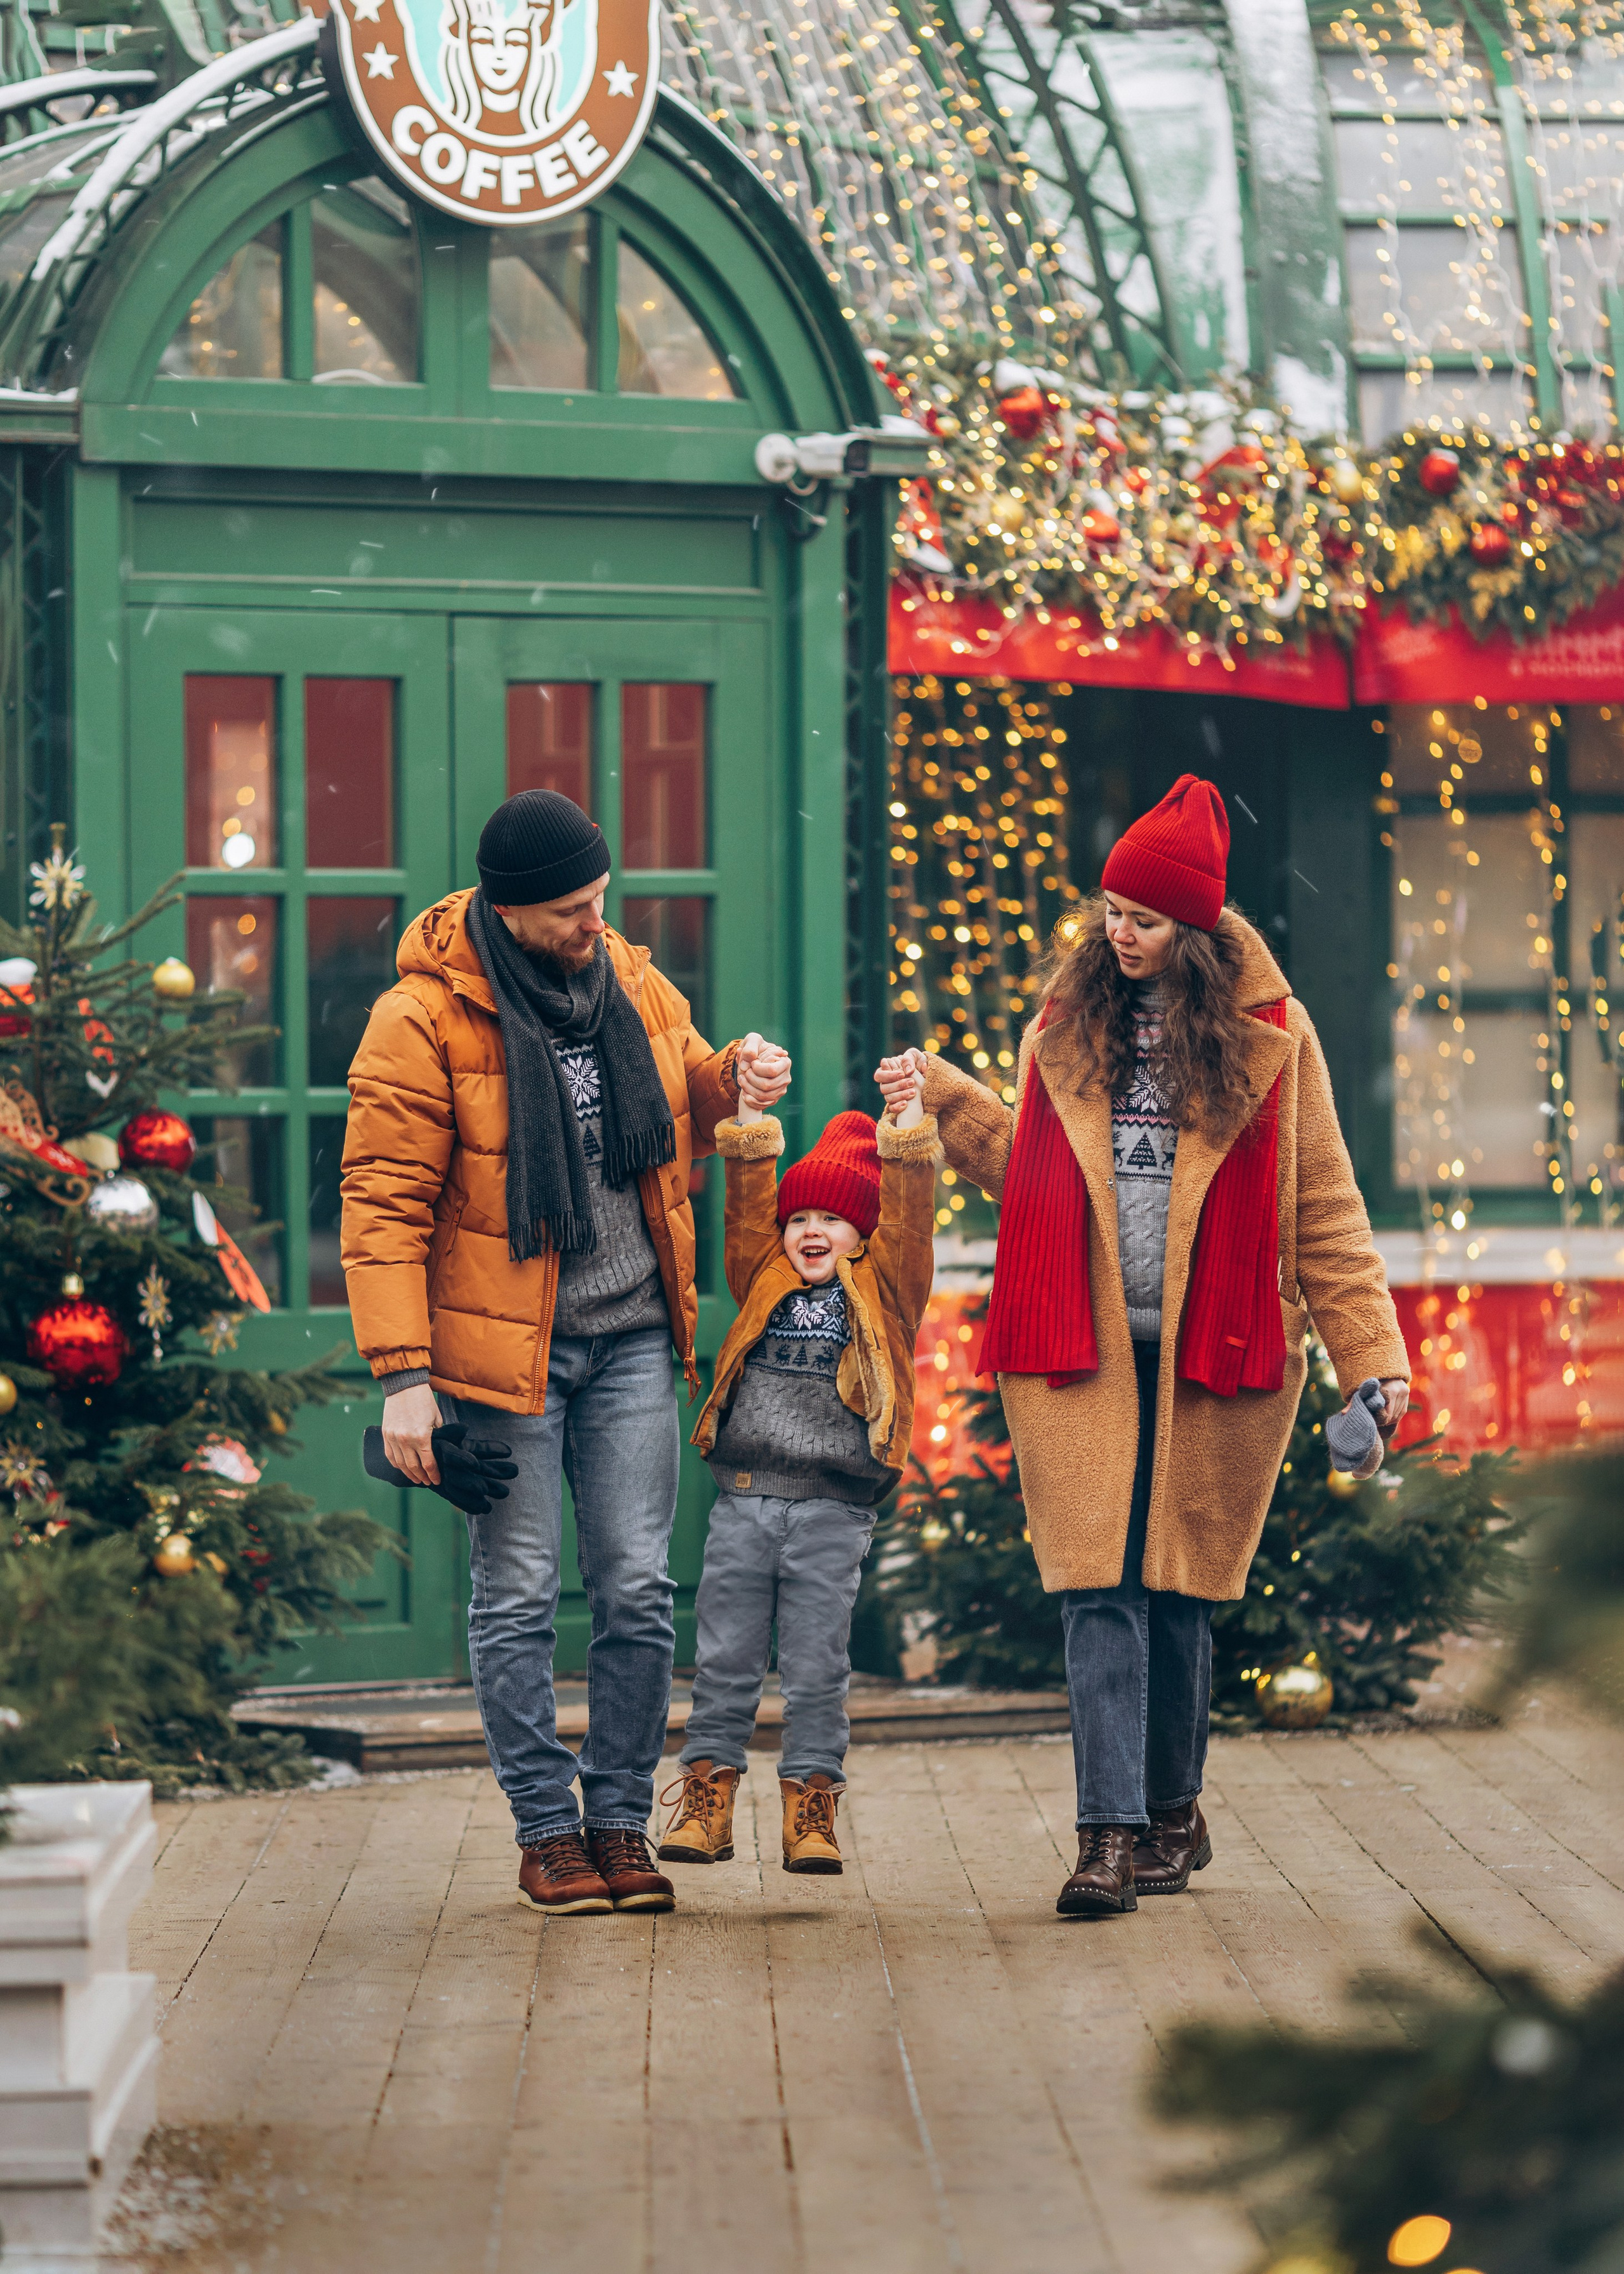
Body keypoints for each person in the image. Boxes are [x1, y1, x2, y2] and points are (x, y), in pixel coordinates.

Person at [875, 774, 1410, 1919]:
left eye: (1145, 918)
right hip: (1085, 1347)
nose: (1119, 934)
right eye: (1111, 911)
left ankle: (1173, 1811)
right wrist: (958, 1102)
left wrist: (1377, 1360)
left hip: (1215, 1351)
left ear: (1198, 931)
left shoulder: (1274, 1040)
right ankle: (1106, 1837)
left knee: (1176, 1592)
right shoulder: (1066, 1028)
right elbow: (1036, 1182)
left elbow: (1323, 1208)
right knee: (1096, 1588)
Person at [340, 788, 791, 1917]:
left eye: (602, 899)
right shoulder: (421, 1018)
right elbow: (382, 1205)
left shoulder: (630, 978)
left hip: (634, 1331)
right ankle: (547, 1830)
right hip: (507, 1358)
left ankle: (618, 1820)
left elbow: (685, 1081)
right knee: (523, 1594)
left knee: (638, 1589)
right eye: (576, 910)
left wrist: (736, 1072)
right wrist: (403, 1380)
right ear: (514, 908)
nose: (600, 923)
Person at [657, 1063, 938, 1876]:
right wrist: (747, 1119)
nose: (812, 1231)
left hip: (831, 1511)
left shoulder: (887, 1290)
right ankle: (707, 1800)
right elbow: (747, 1203)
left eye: (835, 1219)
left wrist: (908, 1127)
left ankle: (811, 1808)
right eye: (800, 1217)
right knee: (723, 1663)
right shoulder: (763, 1279)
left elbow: (913, 1217)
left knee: (816, 1667)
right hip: (743, 1503)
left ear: (866, 1233)